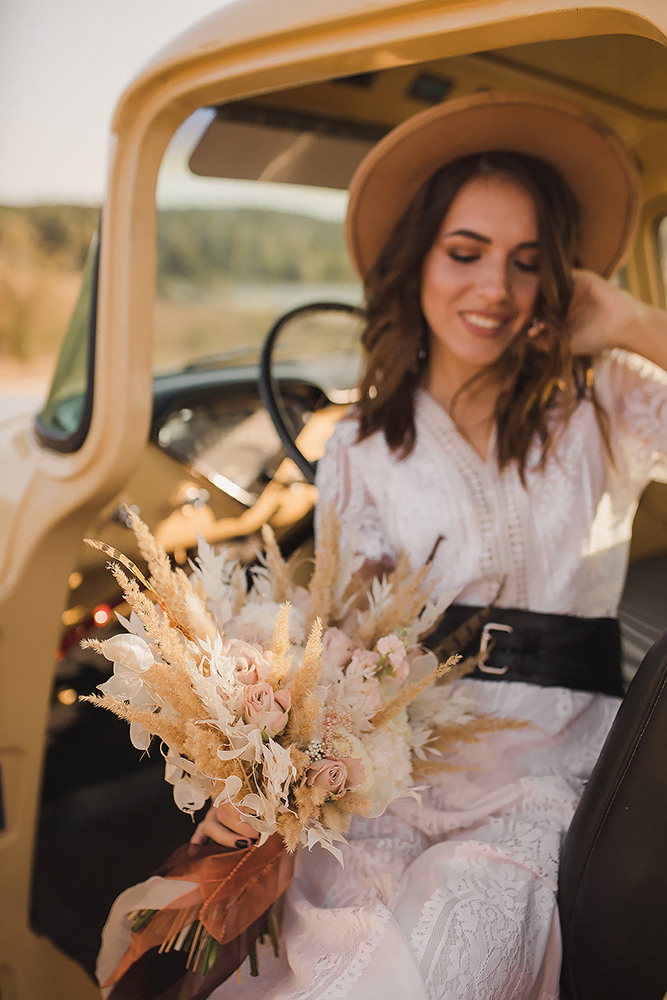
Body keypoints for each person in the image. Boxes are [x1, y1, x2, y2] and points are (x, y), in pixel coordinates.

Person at [100, 91, 667, 999]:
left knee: (449, 953)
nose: (495, 289)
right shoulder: (362, 446)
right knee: (313, 954)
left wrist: (632, 323)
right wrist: (263, 775)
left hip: (546, 767)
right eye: (465, 252)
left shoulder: (609, 405)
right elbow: (336, 635)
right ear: (416, 263)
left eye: (527, 263)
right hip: (396, 767)